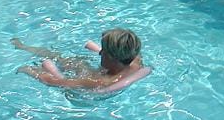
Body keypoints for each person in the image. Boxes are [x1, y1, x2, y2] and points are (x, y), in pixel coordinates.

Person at [13, 28, 149, 91]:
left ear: (112, 56)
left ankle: (22, 47)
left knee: (70, 61)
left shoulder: (98, 81)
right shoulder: (136, 61)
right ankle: (24, 47)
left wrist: (29, 70)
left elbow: (54, 82)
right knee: (69, 60)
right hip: (113, 66)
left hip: (81, 95)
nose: (100, 52)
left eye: (103, 50)